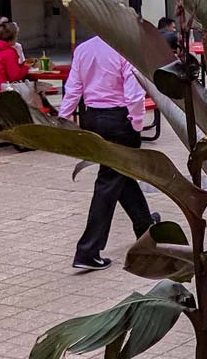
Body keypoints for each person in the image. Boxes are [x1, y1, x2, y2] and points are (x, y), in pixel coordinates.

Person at [60, 36, 158, 270]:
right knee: (110, 180)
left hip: (92, 118)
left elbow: (73, 87)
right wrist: (136, 124)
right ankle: (87, 250)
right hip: (118, 119)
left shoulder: (84, 49)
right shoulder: (126, 49)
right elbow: (134, 94)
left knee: (119, 176)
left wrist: (63, 118)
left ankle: (145, 227)